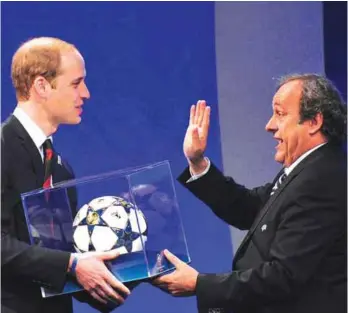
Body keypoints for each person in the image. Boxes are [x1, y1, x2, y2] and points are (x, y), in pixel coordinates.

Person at [153, 74, 347, 313]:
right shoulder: (308, 170)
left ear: (314, 122)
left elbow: (283, 276)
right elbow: (250, 209)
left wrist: (200, 285)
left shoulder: (321, 179)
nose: (270, 125)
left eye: (280, 113)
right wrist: (198, 162)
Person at [1, 37, 131, 313]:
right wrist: (71, 264)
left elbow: (62, 263)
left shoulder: (60, 168)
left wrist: (129, 263)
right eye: (76, 83)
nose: (86, 93)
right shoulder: (2, 148)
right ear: (41, 86)